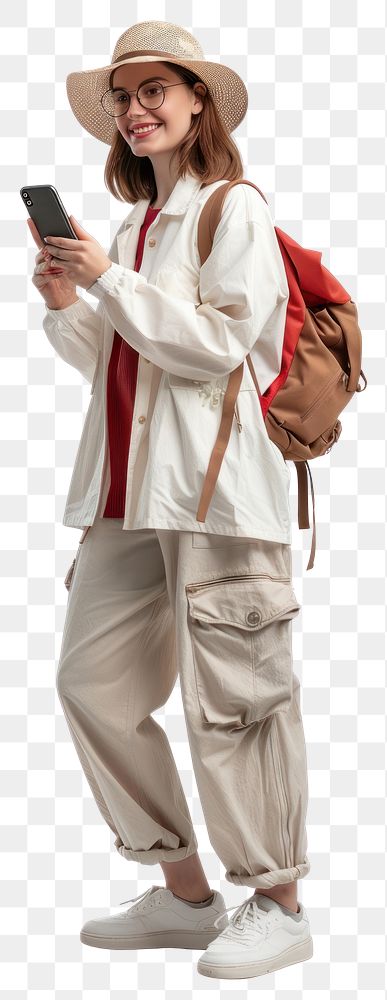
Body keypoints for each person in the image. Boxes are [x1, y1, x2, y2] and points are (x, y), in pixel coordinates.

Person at [28, 19, 312, 980]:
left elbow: (217, 347)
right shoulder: (128, 226)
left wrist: (112, 282)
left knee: (231, 702)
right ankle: (187, 895)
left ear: (197, 103)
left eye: (155, 90)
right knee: (91, 686)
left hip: (217, 499)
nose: (135, 108)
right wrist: (73, 299)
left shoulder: (231, 208)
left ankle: (276, 901)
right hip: (122, 499)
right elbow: (117, 362)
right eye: (122, 96)